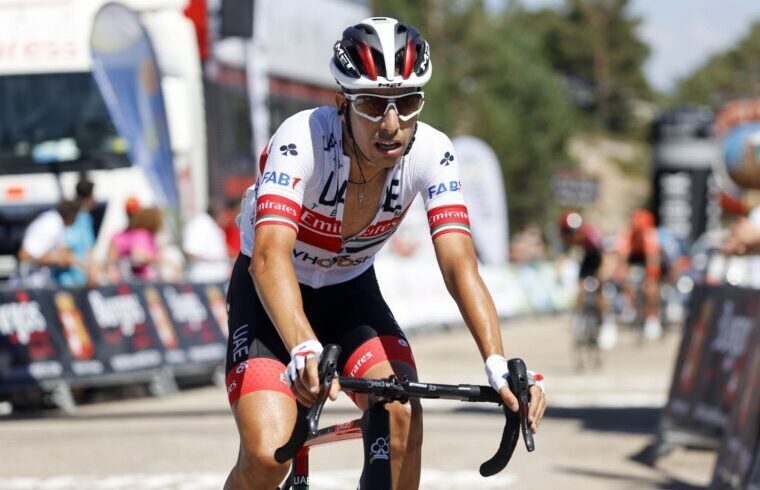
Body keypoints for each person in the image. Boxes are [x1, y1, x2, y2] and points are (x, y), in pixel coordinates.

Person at [223, 18, 546, 490]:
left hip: (350, 294)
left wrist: (495, 361)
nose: (392, 125)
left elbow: (459, 265)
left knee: (400, 415)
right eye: (373, 105)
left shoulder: (433, 152)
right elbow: (270, 258)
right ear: (343, 102)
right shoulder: (302, 139)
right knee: (267, 456)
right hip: (270, 300)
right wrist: (304, 347)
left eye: (408, 103)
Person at [557, 210, 617, 351]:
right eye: (566, 233)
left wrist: (603, 273)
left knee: (599, 289)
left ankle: (606, 322)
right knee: (581, 287)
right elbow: (562, 257)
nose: (570, 237)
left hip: (598, 258)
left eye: (572, 233)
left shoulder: (591, 235)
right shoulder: (567, 238)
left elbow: (605, 257)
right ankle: (578, 318)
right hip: (586, 260)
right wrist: (558, 272)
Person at [613, 208, 663, 339]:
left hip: (647, 257)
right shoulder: (626, 235)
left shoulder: (650, 235)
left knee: (651, 286)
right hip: (634, 257)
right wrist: (624, 279)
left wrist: (650, 279)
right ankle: (630, 305)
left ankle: (652, 317)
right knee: (624, 278)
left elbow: (653, 261)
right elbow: (622, 260)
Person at [17, 200, 81, 287]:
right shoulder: (51, 225)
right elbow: (24, 255)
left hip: (42, 285)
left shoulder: (56, 223)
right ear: (71, 215)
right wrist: (56, 259)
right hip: (31, 285)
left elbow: (63, 253)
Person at [108, 199, 162, 282]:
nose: (132, 217)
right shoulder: (119, 236)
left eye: (134, 214)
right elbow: (111, 261)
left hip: (145, 281)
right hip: (130, 282)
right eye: (130, 214)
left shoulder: (143, 234)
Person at [59, 174, 97, 287]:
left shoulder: (82, 217)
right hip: (71, 281)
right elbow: (66, 249)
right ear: (90, 197)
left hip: (78, 279)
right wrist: (89, 271)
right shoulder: (79, 218)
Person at [182, 205, 230, 282]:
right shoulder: (200, 223)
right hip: (203, 280)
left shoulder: (212, 225)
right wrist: (212, 260)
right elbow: (190, 252)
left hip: (216, 279)